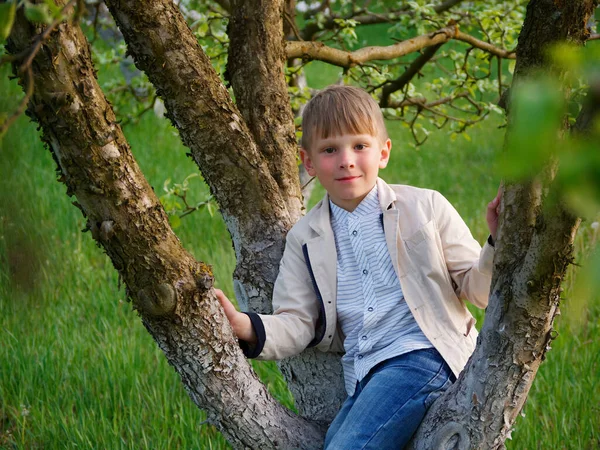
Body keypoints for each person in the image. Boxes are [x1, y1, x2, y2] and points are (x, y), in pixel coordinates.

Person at [216, 85, 501, 449]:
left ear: (383, 152)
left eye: (360, 146)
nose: (346, 160)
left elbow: (477, 290)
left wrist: (496, 244)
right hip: (364, 374)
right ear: (309, 162)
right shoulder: (305, 238)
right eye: (330, 150)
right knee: (336, 440)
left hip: (424, 356)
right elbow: (298, 321)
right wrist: (248, 327)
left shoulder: (426, 207)